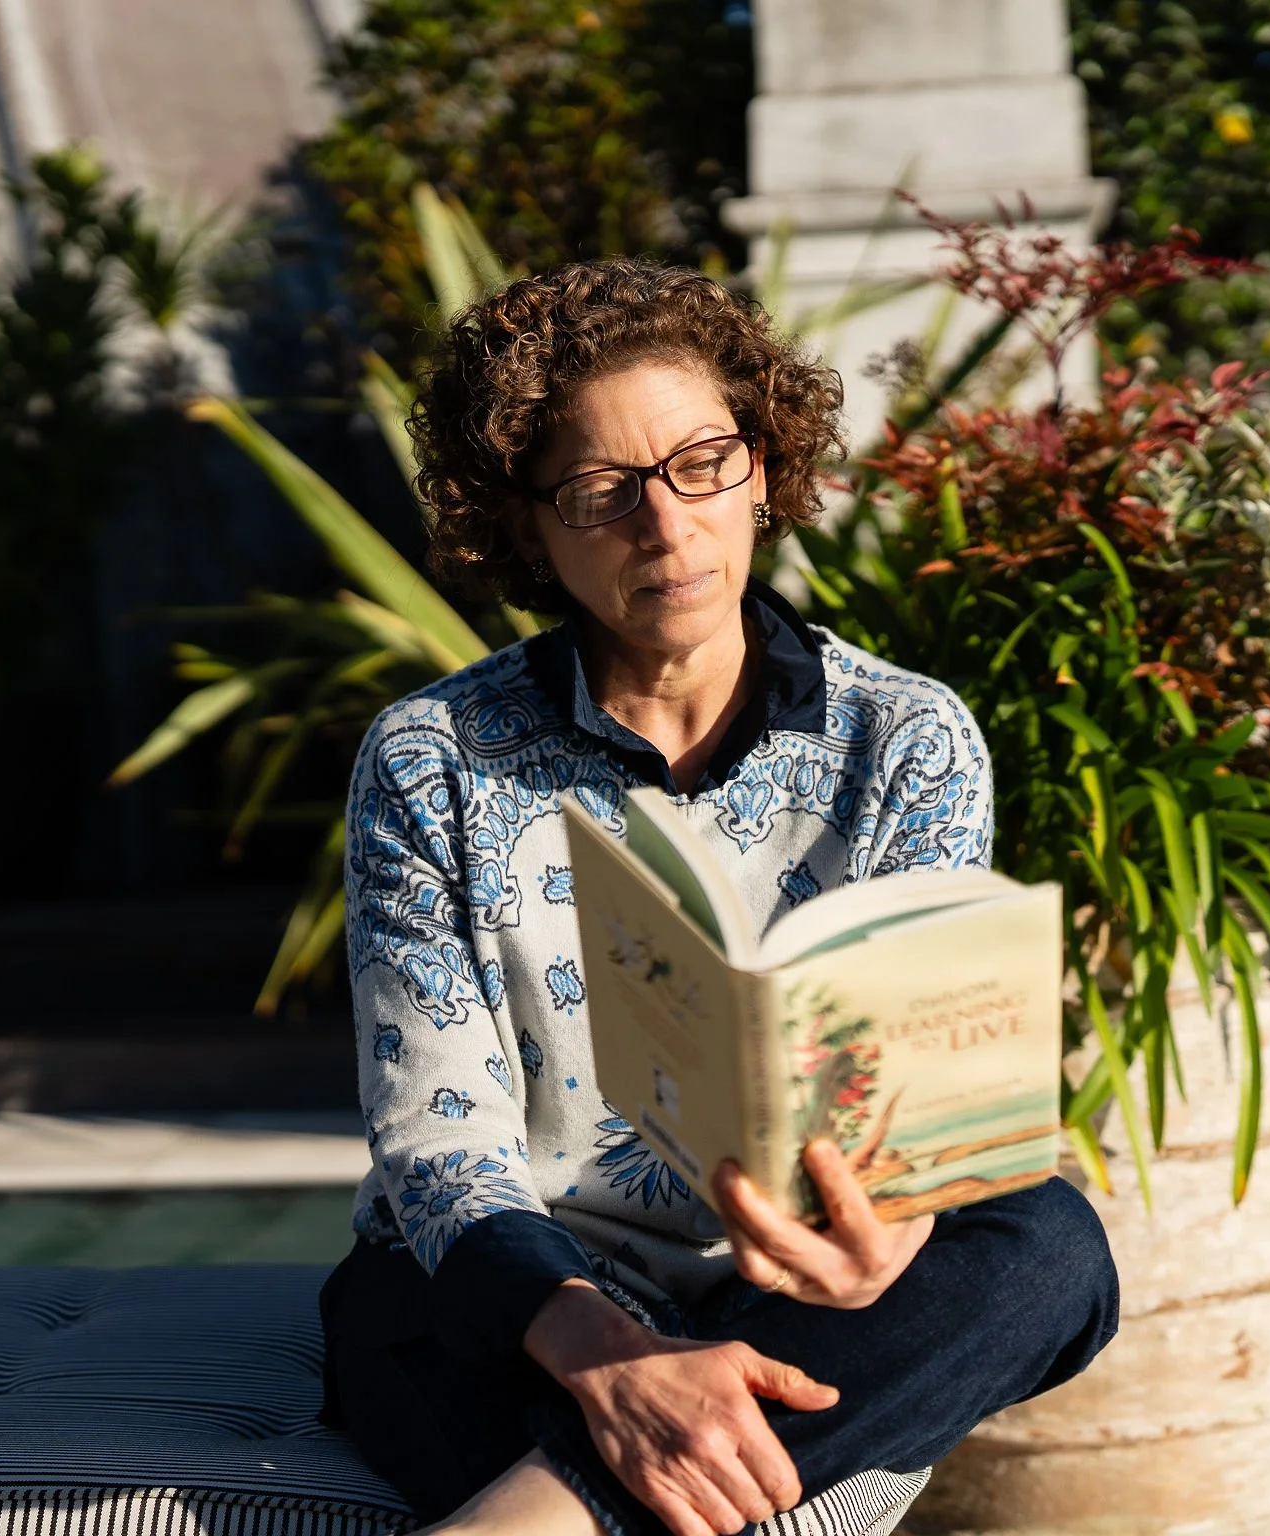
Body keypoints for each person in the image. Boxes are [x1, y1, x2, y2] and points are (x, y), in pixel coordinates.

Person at [316, 259, 1119, 1536]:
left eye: (702, 462)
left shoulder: (904, 739)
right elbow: (437, 1154)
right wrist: (604, 1355)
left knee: (1049, 1251)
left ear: (762, 462)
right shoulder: (430, 757)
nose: (667, 526)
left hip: (803, 1290)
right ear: (524, 525)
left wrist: (889, 1240)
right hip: (516, 1300)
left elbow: (917, 1110)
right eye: (597, 492)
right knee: (410, 1309)